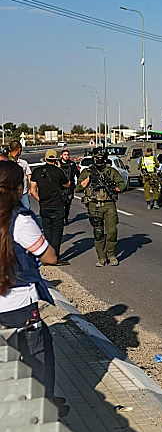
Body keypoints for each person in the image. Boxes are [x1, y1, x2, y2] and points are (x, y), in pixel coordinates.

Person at [0, 160, 70, 417]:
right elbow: (49, 256)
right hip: (19, 305)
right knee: (38, 358)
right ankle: (43, 405)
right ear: (18, 189)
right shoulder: (20, 221)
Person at [76, 147, 125, 267]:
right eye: (97, 158)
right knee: (98, 232)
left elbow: (122, 185)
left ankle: (111, 255)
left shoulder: (111, 171)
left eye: (101, 158)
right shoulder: (87, 172)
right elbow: (78, 188)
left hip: (109, 205)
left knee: (112, 231)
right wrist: (89, 179)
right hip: (94, 205)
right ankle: (102, 257)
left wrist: (113, 188)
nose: (99, 160)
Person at [29, 149, 71, 263]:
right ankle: (55, 258)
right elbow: (67, 184)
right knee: (57, 232)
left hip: (44, 205)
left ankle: (46, 257)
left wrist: (40, 200)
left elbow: (32, 190)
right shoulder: (59, 172)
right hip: (57, 205)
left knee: (47, 231)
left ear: (45, 158)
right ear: (55, 159)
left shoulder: (37, 172)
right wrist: (60, 168)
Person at [58, 149, 80, 225]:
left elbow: (78, 174)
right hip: (60, 187)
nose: (66, 156)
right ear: (61, 155)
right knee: (60, 204)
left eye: (67, 155)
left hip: (70, 187)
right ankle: (60, 218)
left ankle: (66, 217)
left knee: (68, 203)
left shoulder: (72, 164)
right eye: (65, 155)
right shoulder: (58, 163)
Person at [7, 141, 32, 210]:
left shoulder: (23, 163)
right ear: (19, 150)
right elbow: (29, 176)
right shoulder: (7, 162)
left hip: (23, 193)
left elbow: (28, 175)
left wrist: (31, 188)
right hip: (11, 194)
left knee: (26, 210)